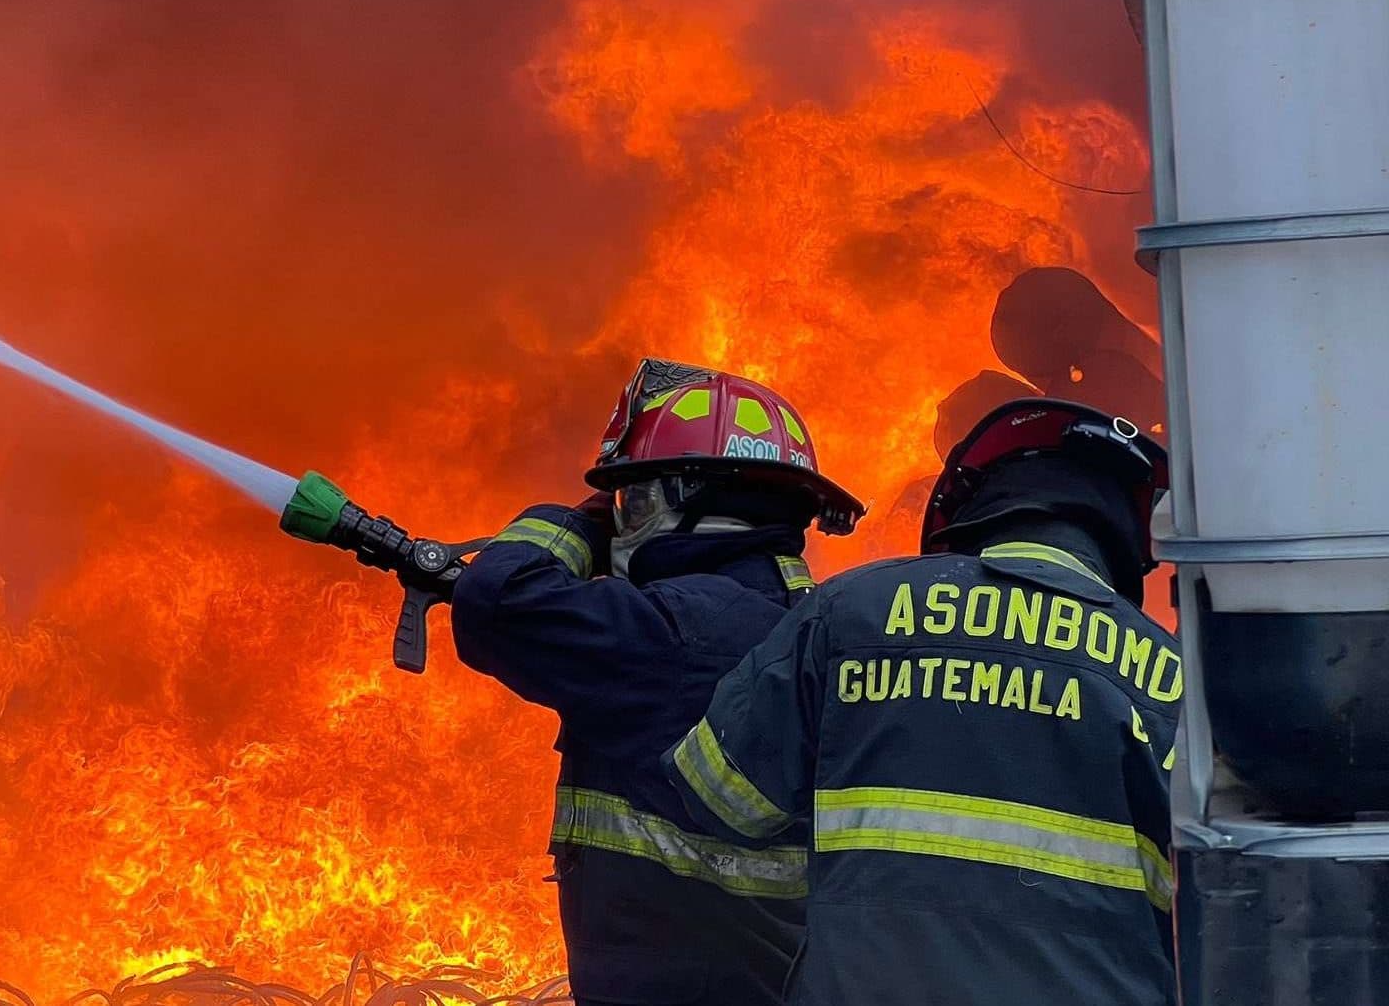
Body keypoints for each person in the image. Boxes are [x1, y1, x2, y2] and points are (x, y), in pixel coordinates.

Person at [665, 398, 1181, 1006]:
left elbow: (719, 797)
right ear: (1128, 537)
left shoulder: (848, 611)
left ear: (974, 504)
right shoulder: (1171, 678)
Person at [451, 359, 866, 1006]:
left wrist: (573, 522)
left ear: (679, 494)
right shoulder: (820, 628)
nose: (619, 520)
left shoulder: (676, 630)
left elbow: (498, 600)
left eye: (630, 499)